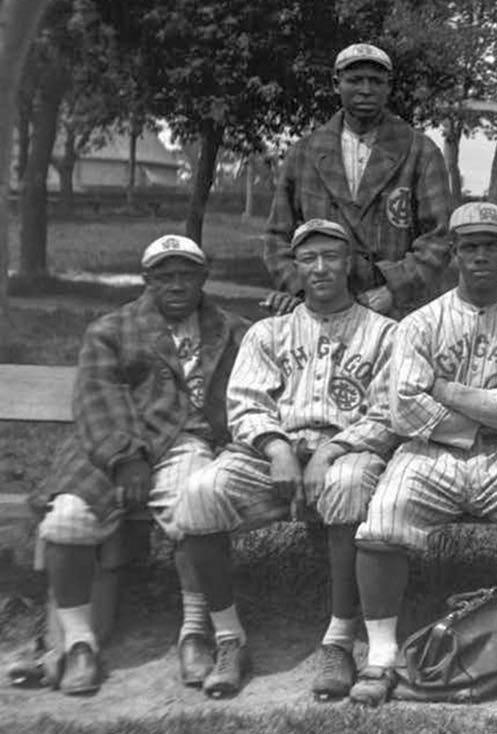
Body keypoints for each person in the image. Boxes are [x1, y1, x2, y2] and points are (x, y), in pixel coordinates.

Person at [348, 202, 497, 709]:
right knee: (384, 516)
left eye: (492, 245)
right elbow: (404, 410)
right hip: (428, 452)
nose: (481, 255)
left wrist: (445, 389)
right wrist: (488, 412)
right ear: (454, 254)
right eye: (470, 246)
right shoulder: (420, 323)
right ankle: (380, 658)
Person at [176, 220, 399, 700]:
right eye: (308, 259)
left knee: (348, 483)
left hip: (346, 450)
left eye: (331, 257)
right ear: (295, 268)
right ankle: (229, 638)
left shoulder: (385, 334)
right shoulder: (267, 333)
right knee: (198, 493)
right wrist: (277, 448)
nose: (320, 268)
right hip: (270, 454)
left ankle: (338, 640)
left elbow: (390, 413)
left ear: (352, 264)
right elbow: (245, 403)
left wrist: (332, 451)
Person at [28, 235, 248, 695]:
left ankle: (194, 631)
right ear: (146, 280)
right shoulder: (112, 329)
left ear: (203, 278)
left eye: (186, 274)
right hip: (112, 444)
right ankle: (79, 642)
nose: (176, 285)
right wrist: (126, 457)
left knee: (194, 508)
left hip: (187, 439)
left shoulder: (227, 328)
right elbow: (98, 397)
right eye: (164, 276)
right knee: (67, 520)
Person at [263, 43, 456, 318]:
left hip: (394, 312)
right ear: (335, 84)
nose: (366, 90)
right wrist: (300, 289)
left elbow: (440, 237)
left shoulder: (420, 151)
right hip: (319, 310)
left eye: (376, 81)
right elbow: (276, 237)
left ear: (388, 87)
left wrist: (395, 289)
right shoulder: (304, 152)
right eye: (355, 80)